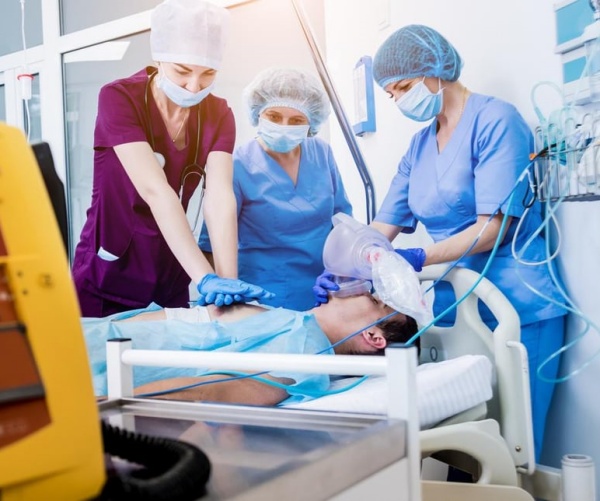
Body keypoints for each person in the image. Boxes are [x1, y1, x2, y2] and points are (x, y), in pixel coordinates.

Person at [313, 24, 566, 460]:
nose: (399, 101)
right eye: (391, 93)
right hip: (457, 307)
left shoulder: (496, 121)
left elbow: (495, 228)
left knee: (520, 442)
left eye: (404, 87)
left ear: (436, 69)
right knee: (472, 442)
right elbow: (380, 228)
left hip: (521, 305)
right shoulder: (419, 146)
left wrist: (415, 257)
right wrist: (343, 270)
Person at [71, 0, 272, 317]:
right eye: (182, 71)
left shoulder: (219, 114)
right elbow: (156, 191)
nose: (194, 86)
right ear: (159, 56)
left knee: (174, 366)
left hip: (170, 273)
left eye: (207, 74)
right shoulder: (119, 98)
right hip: (108, 273)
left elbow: (219, 197)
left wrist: (227, 283)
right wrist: (204, 276)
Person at [83, 290, 418, 406]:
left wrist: (102, 407)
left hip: (90, 369)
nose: (362, 289)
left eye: (374, 299)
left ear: (374, 337)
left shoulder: (308, 358)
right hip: (88, 334)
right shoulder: (291, 320)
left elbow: (211, 392)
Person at [199, 67, 353, 310]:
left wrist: (349, 273)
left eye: (296, 120)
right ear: (257, 113)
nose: (284, 126)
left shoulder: (322, 153)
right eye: (273, 116)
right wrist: (219, 298)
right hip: (261, 300)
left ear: (311, 121)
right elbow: (210, 245)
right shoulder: (236, 165)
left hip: (325, 293)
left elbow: (342, 222)